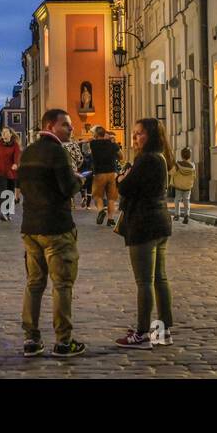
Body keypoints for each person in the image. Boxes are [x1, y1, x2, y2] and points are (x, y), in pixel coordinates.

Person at [17, 108, 85, 358]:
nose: (71, 129)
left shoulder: (28, 152)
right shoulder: (59, 152)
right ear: (50, 125)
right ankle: (64, 341)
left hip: (30, 228)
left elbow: (22, 185)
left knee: (34, 283)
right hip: (56, 227)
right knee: (62, 284)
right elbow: (67, 188)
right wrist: (79, 180)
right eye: (66, 125)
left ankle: (31, 339)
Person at [114, 118, 175, 349]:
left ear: (150, 135)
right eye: (134, 133)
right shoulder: (160, 158)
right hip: (160, 222)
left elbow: (126, 187)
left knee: (144, 281)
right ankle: (163, 330)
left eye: (139, 133)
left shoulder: (146, 159)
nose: (135, 137)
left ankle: (141, 333)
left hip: (144, 223)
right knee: (159, 278)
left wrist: (121, 177)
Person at [89, 126, 123, 227]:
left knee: (97, 196)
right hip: (112, 173)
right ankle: (111, 220)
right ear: (104, 134)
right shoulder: (112, 144)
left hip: (99, 173)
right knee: (111, 198)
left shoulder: (93, 144)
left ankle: (100, 211)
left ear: (95, 135)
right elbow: (121, 156)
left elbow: (87, 142)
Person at [0, 129, 22, 221]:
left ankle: (8, 213)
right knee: (3, 191)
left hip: (11, 172)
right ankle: (3, 212)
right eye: (2, 132)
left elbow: (17, 156)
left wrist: (15, 164)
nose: (4, 134)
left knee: (10, 192)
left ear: (10, 134)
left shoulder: (15, 145)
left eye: (6, 132)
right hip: (0, 171)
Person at [170, 148, 196, 225]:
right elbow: (194, 176)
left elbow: (172, 172)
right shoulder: (192, 166)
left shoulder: (178, 165)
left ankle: (177, 215)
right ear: (190, 156)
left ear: (181, 156)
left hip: (179, 186)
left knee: (177, 200)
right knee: (186, 201)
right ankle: (186, 215)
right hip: (188, 186)